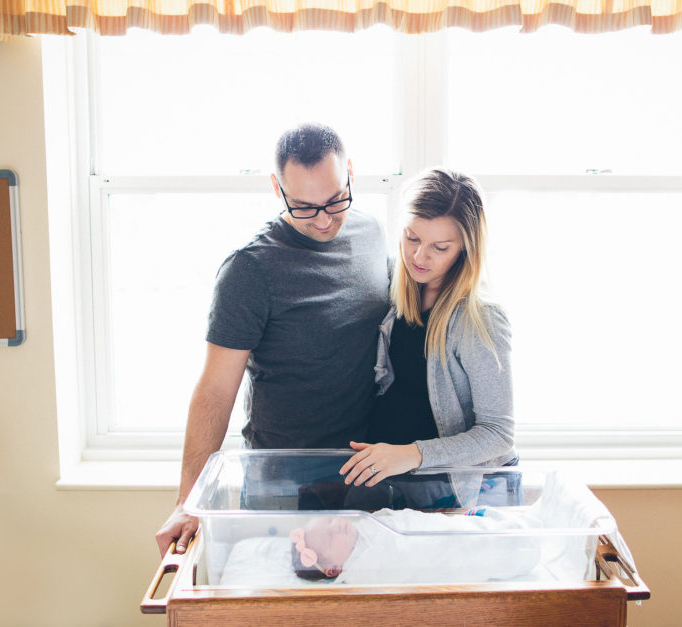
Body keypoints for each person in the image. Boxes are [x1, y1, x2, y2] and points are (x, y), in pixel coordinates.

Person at [155, 123, 390, 557]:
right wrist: (186, 502)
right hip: (281, 479)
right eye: (304, 206)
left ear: (351, 174)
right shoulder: (250, 270)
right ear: (276, 188)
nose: (323, 219)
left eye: (335, 200)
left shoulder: (372, 234)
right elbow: (215, 389)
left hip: (364, 472)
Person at [339, 168, 516, 489]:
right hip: (391, 479)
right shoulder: (394, 283)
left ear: (465, 247)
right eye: (412, 238)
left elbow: (498, 434)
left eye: (440, 247)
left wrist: (412, 454)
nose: (419, 256)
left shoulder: (481, 317)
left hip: (449, 490)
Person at [288, 507, 542, 584]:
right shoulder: (363, 572)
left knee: (461, 529)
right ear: (334, 569)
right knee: (478, 545)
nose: (337, 526)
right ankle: (518, 543)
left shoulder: (367, 525)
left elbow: (407, 518)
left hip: (445, 529)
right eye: (331, 538)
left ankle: (509, 531)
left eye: (331, 520)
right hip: (448, 550)